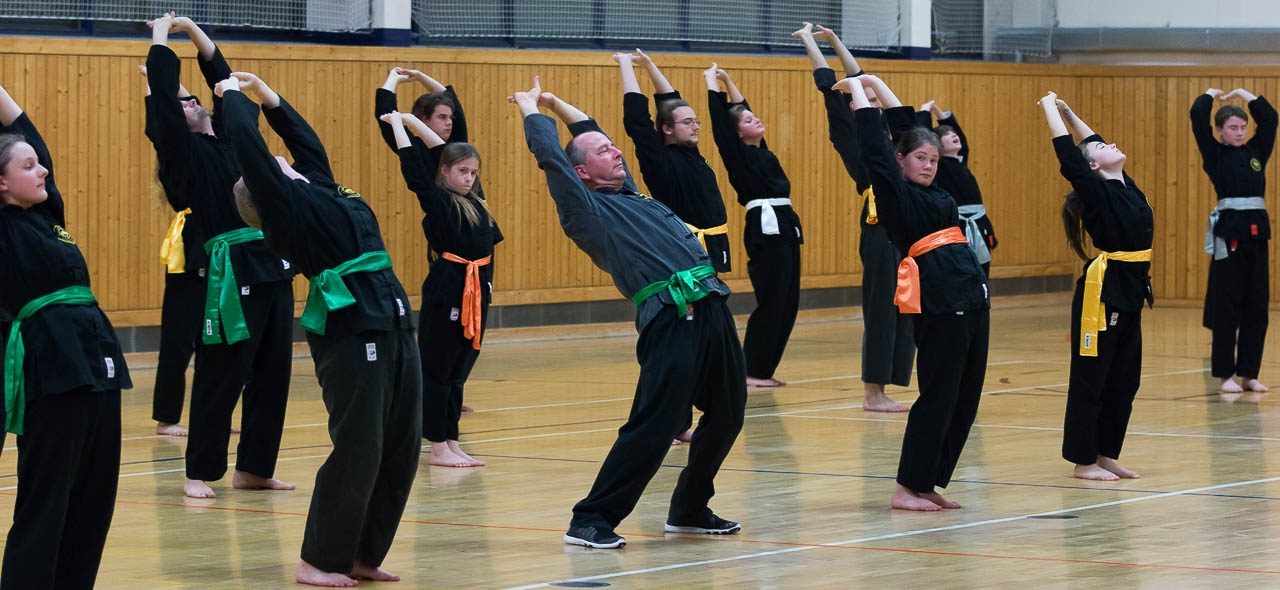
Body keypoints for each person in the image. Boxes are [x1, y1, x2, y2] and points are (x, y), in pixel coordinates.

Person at [512, 76, 746, 548]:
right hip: (671, 315)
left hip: (711, 306)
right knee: (656, 423)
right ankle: (591, 519)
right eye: (603, 151)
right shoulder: (587, 211)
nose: (615, 152)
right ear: (582, 172)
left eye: (614, 146)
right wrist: (530, 110)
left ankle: (689, 509)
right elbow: (553, 159)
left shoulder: (629, 193)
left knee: (728, 412)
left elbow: (589, 131)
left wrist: (556, 103)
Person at [216, 69, 421, 587]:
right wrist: (232, 97)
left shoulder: (321, 189)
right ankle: (318, 560)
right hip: (352, 325)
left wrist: (270, 98)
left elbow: (305, 143)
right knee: (360, 445)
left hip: (392, 316)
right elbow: (249, 147)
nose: (286, 161)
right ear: (268, 189)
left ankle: (360, 553)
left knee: (401, 443)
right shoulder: (286, 211)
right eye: (277, 166)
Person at [146, 12, 297, 500]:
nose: (193, 101)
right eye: (185, 101)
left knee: (273, 374)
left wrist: (194, 33)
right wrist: (160, 37)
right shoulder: (181, 157)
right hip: (230, 272)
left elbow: (224, 81)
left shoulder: (235, 138)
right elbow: (165, 105)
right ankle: (198, 471)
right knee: (222, 371)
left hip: (272, 262)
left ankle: (254, 467)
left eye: (196, 97)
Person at [833, 74, 989, 511]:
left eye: (933, 159)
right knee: (939, 392)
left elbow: (905, 124)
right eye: (919, 158)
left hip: (971, 294)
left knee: (965, 396)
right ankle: (906, 486)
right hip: (940, 298)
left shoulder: (938, 191)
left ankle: (928, 482)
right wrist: (863, 96)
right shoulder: (894, 192)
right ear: (900, 161)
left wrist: (880, 82)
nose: (928, 164)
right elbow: (876, 146)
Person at [0, 79, 127, 589]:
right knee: (47, 496)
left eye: (39, 164)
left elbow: (22, 127)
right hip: (51, 368)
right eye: (27, 167)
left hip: (98, 360)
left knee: (95, 496)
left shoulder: (49, 215)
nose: (43, 170)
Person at [615, 48, 733, 441]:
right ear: (667, 130)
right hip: (683, 261)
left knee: (699, 339)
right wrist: (627, 68)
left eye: (696, 120)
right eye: (687, 122)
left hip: (707, 253)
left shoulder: (690, 152)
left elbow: (670, 102)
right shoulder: (658, 158)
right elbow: (637, 119)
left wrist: (651, 67)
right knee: (683, 339)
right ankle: (665, 419)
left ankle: (680, 419)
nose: (695, 126)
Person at [795, 22, 912, 412]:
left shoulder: (886, 132)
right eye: (867, 102)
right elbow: (830, 86)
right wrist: (811, 42)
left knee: (906, 306)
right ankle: (872, 392)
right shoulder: (850, 131)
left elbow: (860, 76)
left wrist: (834, 39)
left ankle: (890, 383)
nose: (874, 105)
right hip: (879, 226)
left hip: (906, 223)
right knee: (881, 306)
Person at [1039, 91, 1153, 481]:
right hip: (1103, 294)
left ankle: (1106, 453)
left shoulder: (1126, 186)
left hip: (1132, 289)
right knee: (1094, 374)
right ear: (1091, 165)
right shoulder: (1097, 190)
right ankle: (1083, 459)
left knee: (1125, 377)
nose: (1112, 143)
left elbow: (1089, 142)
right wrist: (1051, 110)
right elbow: (1070, 155)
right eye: (1104, 147)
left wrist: (1071, 111)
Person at [381, 110, 501, 467]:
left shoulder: (477, 204)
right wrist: (402, 128)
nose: (468, 178)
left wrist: (418, 125)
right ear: (445, 173)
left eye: (473, 172)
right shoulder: (438, 201)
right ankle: (435, 444)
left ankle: (451, 438)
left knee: (458, 370)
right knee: (438, 368)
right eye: (462, 171)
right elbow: (416, 170)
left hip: (477, 289)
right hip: (448, 289)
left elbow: (444, 150)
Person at [376, 66, 483, 416]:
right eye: (441, 117)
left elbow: (455, 106)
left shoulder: (456, 151)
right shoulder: (425, 164)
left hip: (472, 232)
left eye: (450, 116)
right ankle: (434, 395)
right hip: (447, 231)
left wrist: (421, 76)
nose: (450, 122)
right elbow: (385, 117)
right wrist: (394, 86)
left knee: (468, 339)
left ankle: (450, 390)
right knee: (445, 334)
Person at [706, 65, 801, 388]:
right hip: (764, 227)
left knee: (788, 301)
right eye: (747, 120)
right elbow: (722, 125)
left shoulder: (763, 151)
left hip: (786, 226)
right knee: (772, 299)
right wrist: (711, 83)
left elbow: (739, 106)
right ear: (738, 134)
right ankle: (750, 370)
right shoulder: (737, 154)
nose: (754, 119)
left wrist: (729, 81)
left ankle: (762, 369)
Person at [1190, 87, 1276, 394]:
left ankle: (1249, 373)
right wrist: (1210, 94)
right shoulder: (1214, 155)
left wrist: (1244, 94)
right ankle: (1225, 375)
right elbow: (1197, 116)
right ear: (1220, 131)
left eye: (1242, 127)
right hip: (1229, 236)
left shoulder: (1256, 153)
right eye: (1233, 128)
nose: (1239, 132)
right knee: (1226, 307)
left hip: (1257, 236)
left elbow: (1270, 119)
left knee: (1257, 305)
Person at [140, 63, 205, 437]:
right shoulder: (176, 148)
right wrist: (154, 83)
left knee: (216, 337)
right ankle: (167, 417)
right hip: (190, 251)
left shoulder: (207, 142)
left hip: (215, 251)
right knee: (179, 336)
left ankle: (210, 411)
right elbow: (161, 118)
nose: (192, 104)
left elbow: (187, 100)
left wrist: (168, 81)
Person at [917, 100, 998, 277]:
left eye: (954, 133)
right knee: (962, 274)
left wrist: (940, 114)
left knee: (981, 274)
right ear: (937, 145)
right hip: (958, 228)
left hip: (979, 224)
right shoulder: (940, 166)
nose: (954, 136)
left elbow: (962, 139)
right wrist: (925, 111)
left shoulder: (960, 161)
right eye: (948, 134)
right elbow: (922, 139)